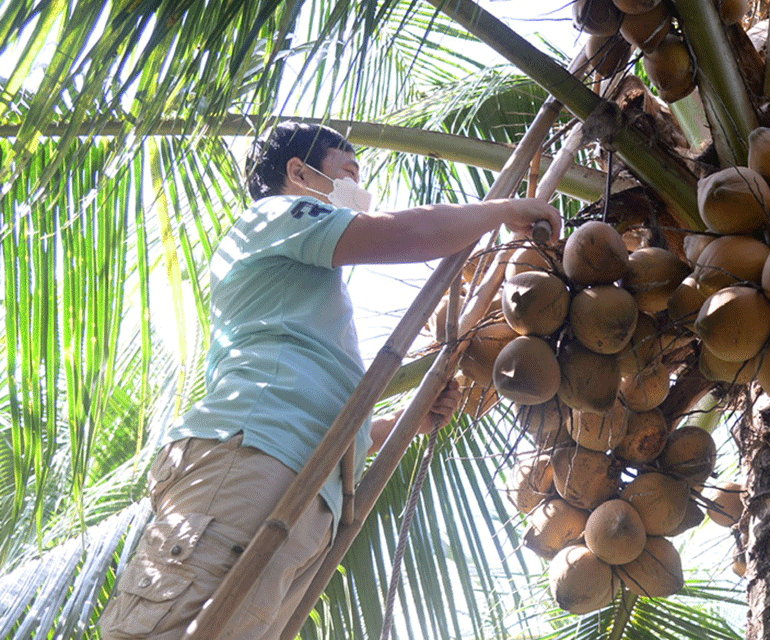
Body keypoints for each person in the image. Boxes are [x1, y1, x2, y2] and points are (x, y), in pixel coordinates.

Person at [98, 121, 562, 640]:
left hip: (301, 486)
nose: (359, 189)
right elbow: (405, 234)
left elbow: (317, 414)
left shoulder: (311, 307)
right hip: (247, 454)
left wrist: (395, 426)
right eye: (347, 171)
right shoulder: (271, 215)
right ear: (298, 172)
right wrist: (504, 212)